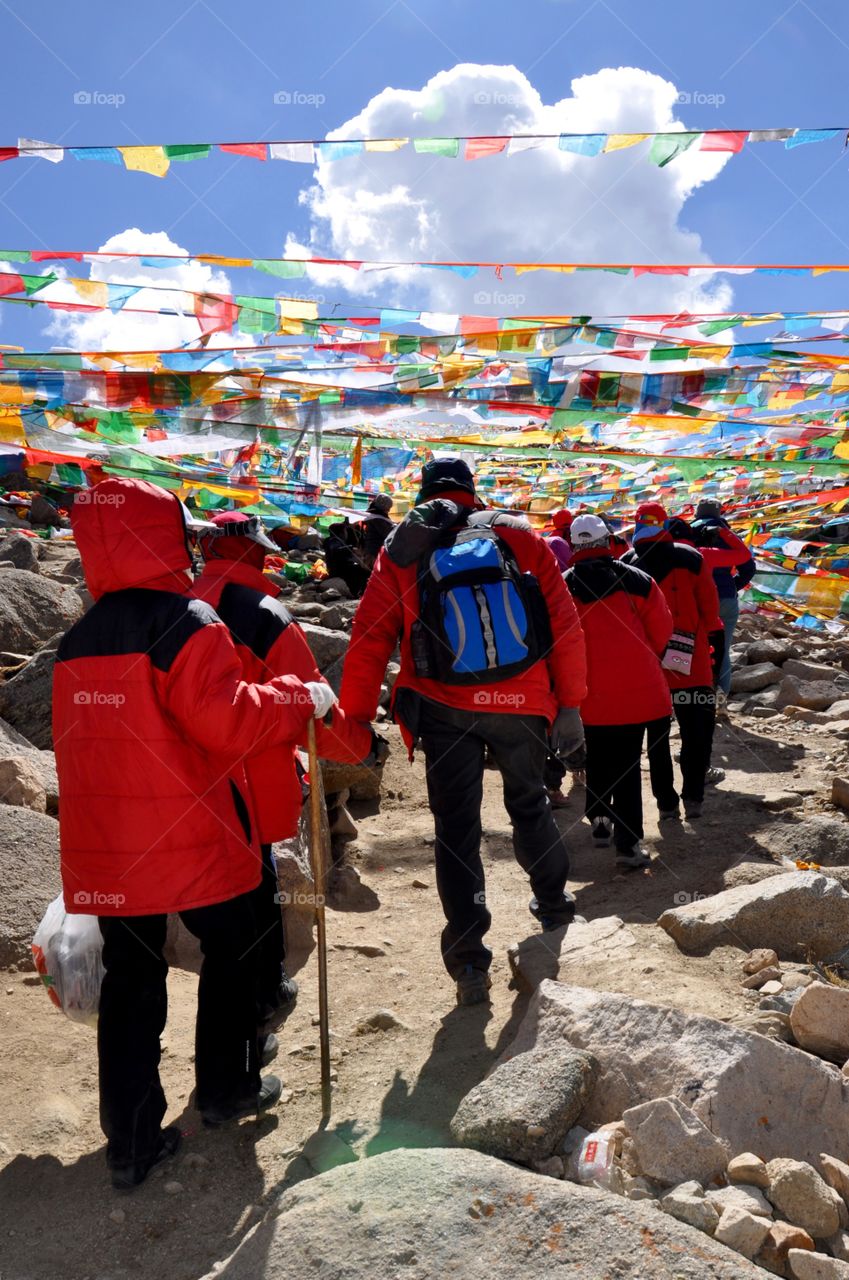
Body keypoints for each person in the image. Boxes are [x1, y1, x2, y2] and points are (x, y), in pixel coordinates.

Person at [52, 478, 339, 1190]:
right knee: (237, 954)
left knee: (131, 981)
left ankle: (132, 1144)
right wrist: (298, 698)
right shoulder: (188, 620)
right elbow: (227, 722)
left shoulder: (77, 638)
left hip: (112, 844)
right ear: (162, 535)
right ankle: (227, 1091)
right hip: (194, 833)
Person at [339, 458, 587, 1006]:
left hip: (443, 705)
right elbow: (565, 625)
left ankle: (470, 960)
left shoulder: (402, 547)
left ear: (425, 493)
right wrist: (570, 703)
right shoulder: (521, 535)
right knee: (529, 805)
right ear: (473, 491)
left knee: (457, 829)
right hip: (522, 700)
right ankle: (552, 904)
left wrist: (355, 721)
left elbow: (371, 639)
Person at [191, 510, 377, 1028]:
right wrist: (363, 748)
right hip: (252, 782)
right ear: (252, 550)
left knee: (224, 904)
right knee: (256, 887)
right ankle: (262, 1001)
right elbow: (311, 708)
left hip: (186, 783)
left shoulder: (180, 606)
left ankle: (247, 1004)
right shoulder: (265, 611)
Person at [564, 514, 673, 868]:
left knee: (597, 757)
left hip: (586, 694)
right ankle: (627, 846)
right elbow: (661, 631)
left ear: (574, 546)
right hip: (637, 691)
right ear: (607, 542)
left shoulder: (561, 587)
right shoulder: (638, 580)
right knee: (626, 765)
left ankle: (599, 821)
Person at [622, 502, 725, 821]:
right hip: (692, 662)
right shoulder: (692, 557)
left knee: (656, 736)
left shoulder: (626, 563)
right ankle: (693, 796)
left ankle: (665, 803)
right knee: (697, 731)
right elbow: (711, 614)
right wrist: (717, 660)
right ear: (665, 524)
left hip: (647, 666)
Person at [689, 499, 756, 705]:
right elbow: (748, 567)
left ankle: (696, 698)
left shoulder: (690, 533)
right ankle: (720, 699)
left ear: (697, 514)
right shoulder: (729, 535)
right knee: (723, 649)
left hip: (698, 598)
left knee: (696, 647)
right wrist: (733, 587)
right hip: (727, 598)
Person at [360, 494, 394, 567]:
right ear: (384, 507)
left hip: (370, 553)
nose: (388, 511)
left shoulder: (372, 516)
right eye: (388, 508)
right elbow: (390, 534)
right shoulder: (378, 519)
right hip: (374, 555)